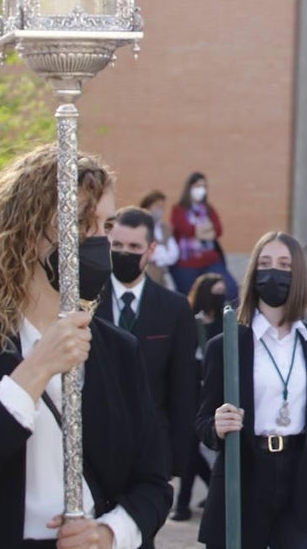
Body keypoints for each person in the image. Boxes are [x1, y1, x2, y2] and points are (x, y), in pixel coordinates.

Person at [0, 144, 172, 548]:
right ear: (25, 230)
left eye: (105, 226)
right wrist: (34, 370)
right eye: (81, 223)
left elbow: (153, 483)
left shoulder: (117, 350)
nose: (98, 241)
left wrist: (110, 532)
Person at [198, 232, 307, 548]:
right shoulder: (227, 344)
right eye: (265, 263)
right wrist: (217, 426)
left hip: (300, 480)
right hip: (243, 476)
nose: (273, 271)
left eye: (284, 264)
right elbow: (203, 422)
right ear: (253, 272)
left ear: (298, 273)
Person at [96, 207, 198, 522]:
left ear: (151, 250)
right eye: (117, 247)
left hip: (150, 448)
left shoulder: (175, 308)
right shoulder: (85, 300)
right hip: (93, 444)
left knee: (140, 532)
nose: (125, 254)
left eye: (134, 248)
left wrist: (177, 458)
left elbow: (184, 387)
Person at [173, 273, 229, 521]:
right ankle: (183, 503)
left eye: (222, 293)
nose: (219, 297)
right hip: (191, 391)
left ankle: (196, 498)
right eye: (214, 292)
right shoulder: (189, 320)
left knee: (202, 447)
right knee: (189, 449)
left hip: (217, 391)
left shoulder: (226, 322)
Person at [169, 172, 237, 298]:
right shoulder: (179, 209)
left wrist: (198, 231)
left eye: (204, 186)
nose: (201, 190)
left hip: (210, 259)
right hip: (186, 263)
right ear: (189, 187)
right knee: (189, 298)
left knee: (231, 289)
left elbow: (217, 230)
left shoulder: (209, 209)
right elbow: (185, 229)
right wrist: (203, 230)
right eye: (197, 186)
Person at [139, 190, 179, 290]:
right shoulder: (140, 227)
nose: (160, 209)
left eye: (162, 206)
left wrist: (161, 256)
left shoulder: (166, 228)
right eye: (157, 205)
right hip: (146, 273)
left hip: (164, 273)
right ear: (147, 207)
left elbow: (173, 253)